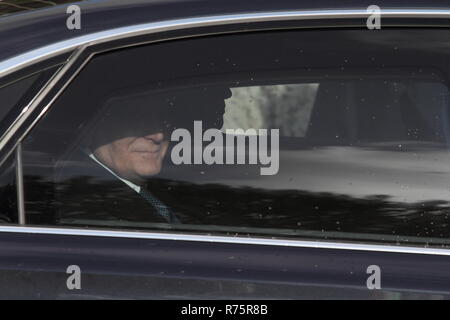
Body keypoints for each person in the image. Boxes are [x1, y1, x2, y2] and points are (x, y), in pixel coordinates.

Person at [52, 86, 231, 226]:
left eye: (162, 120)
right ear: (92, 125)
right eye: (138, 119)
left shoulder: (161, 186)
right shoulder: (84, 209)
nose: (158, 135)